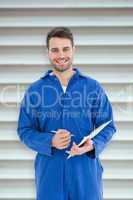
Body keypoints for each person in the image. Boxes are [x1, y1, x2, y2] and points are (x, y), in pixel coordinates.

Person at [17, 27, 116, 200]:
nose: (61, 55)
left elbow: (108, 126)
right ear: (47, 52)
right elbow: (24, 130)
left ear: (74, 50)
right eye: (55, 50)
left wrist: (92, 145)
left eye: (65, 49)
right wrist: (50, 140)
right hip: (50, 171)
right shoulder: (35, 90)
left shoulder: (92, 88)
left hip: (85, 170)